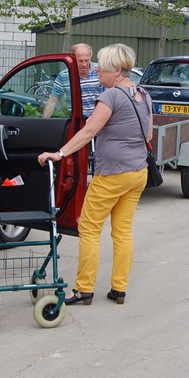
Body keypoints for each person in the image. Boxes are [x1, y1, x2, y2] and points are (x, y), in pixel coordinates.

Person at [38, 44, 151, 306]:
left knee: (89, 228)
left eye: (103, 65)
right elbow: (148, 136)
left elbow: (89, 131)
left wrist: (60, 153)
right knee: (122, 232)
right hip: (138, 173)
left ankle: (84, 289)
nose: (97, 69)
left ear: (118, 71)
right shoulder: (143, 94)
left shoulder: (111, 96)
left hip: (112, 174)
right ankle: (119, 289)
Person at [42, 43, 103, 119]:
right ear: (73, 59)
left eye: (86, 60)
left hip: (98, 120)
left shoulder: (101, 71)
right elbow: (53, 100)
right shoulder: (64, 76)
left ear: (90, 57)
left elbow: (110, 98)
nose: (84, 64)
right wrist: (44, 121)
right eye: (80, 61)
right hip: (76, 120)